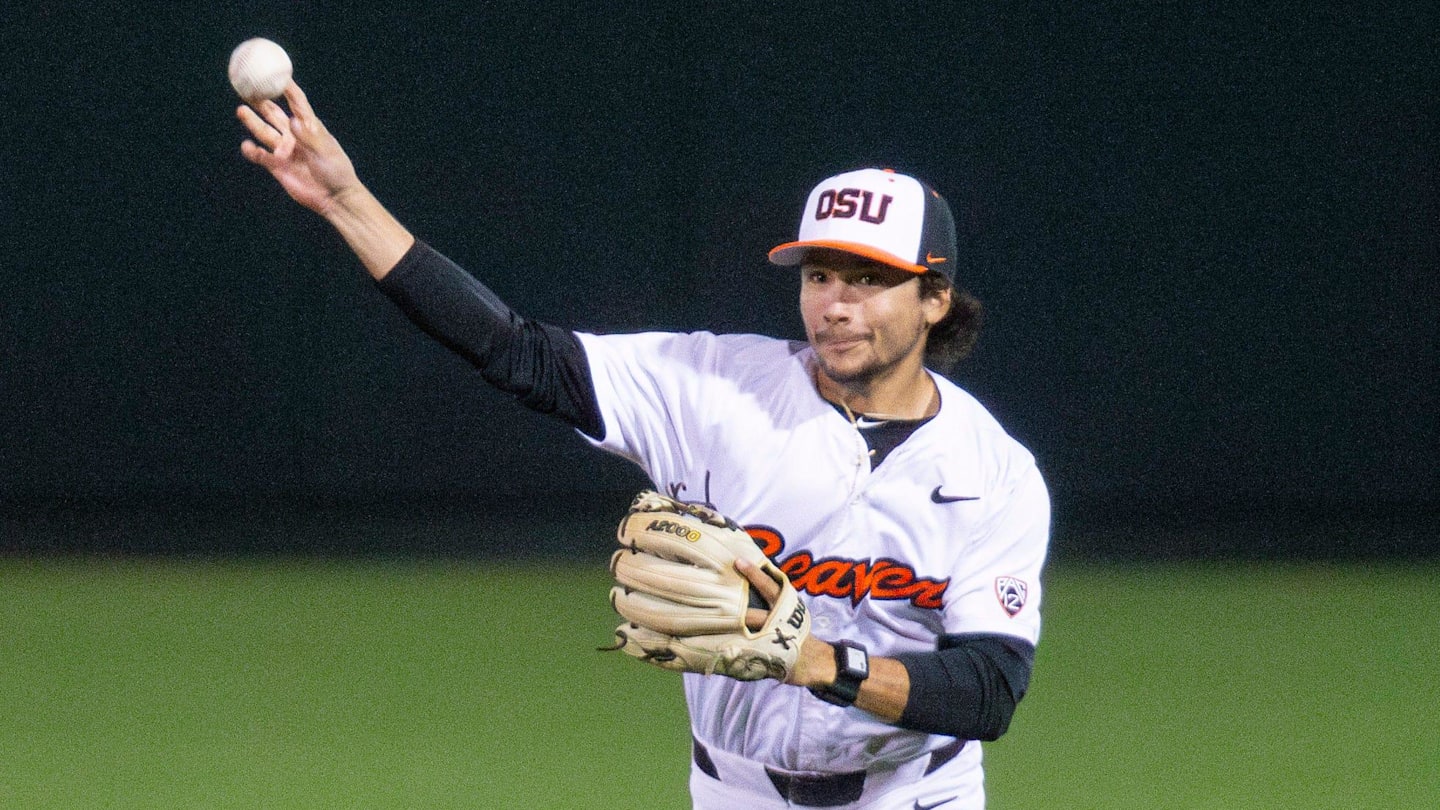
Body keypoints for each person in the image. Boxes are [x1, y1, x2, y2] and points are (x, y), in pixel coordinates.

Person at [237, 81, 1050, 810]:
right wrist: (346, 201)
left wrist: (815, 661)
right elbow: (518, 352)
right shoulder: (714, 390)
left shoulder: (995, 472)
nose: (835, 304)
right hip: (734, 792)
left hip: (916, 795)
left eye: (869, 280)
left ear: (936, 298)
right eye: (819, 276)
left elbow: (987, 691)